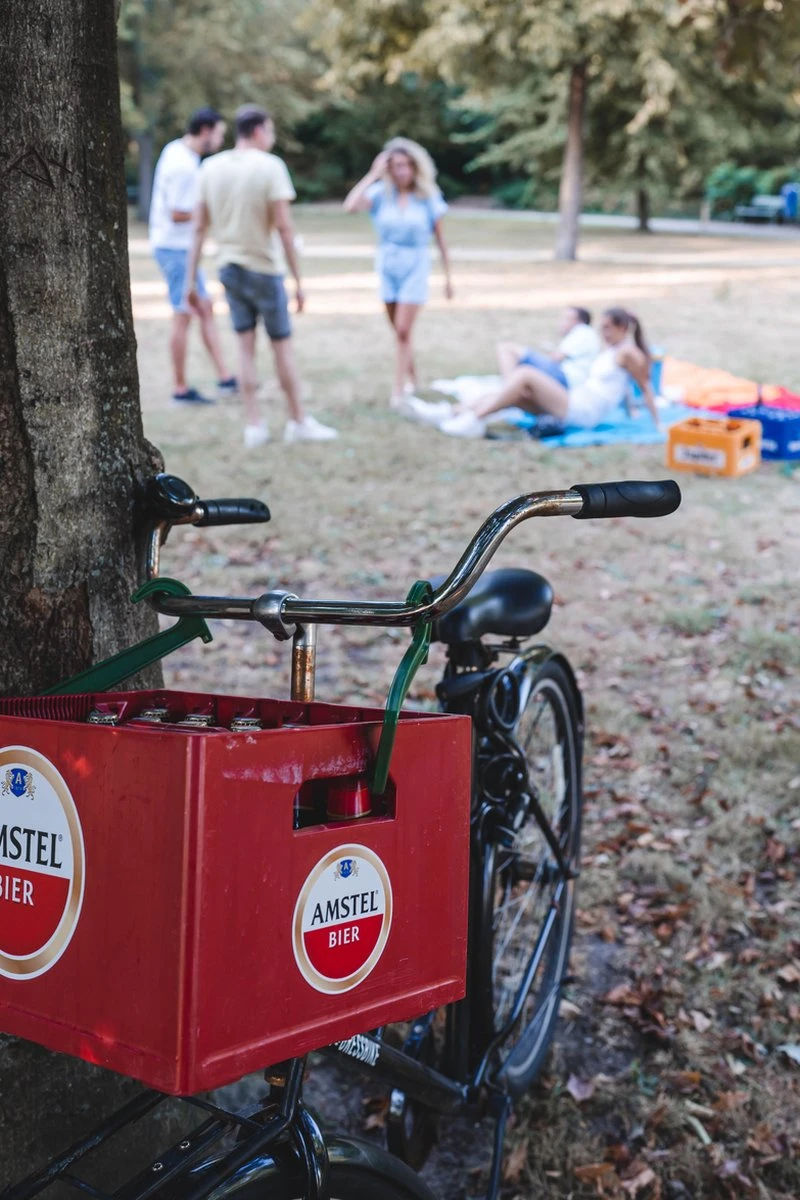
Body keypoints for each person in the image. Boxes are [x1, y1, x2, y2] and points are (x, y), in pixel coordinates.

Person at [186, 104, 336, 446]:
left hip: (229, 268)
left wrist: (189, 281)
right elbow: (284, 226)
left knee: (244, 347)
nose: (272, 137)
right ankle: (298, 420)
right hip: (265, 270)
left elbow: (197, 228)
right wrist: (298, 282)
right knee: (281, 346)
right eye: (270, 130)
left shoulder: (210, 168)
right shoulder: (271, 167)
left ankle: (254, 425)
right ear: (257, 131)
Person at [344, 137, 453, 407]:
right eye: (396, 166)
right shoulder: (381, 194)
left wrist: (448, 278)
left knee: (404, 330)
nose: (402, 171)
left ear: (415, 167)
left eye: (406, 165)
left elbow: (440, 239)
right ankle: (413, 377)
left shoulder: (428, 197)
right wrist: (372, 174)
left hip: (415, 265)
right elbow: (350, 207)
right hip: (388, 265)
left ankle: (398, 391)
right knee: (399, 331)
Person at [438, 308, 661, 438]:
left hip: (584, 410)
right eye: (602, 327)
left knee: (525, 374)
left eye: (607, 328)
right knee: (518, 394)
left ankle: (473, 419)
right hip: (577, 400)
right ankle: (455, 412)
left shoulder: (629, 353)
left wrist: (657, 423)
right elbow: (622, 387)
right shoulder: (613, 350)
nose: (603, 333)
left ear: (623, 328)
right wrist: (630, 410)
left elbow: (644, 386)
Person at [149, 107, 236, 405]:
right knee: (183, 313)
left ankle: (225, 378)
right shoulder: (184, 166)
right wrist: (213, 214)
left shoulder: (177, 150)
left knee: (205, 308)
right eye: (219, 134)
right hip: (175, 248)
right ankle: (180, 389)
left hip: (179, 247)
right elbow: (177, 213)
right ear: (206, 131)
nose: (220, 141)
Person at [496, 306, 600, 390]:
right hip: (569, 378)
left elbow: (557, 358)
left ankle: (508, 390)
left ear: (579, 321)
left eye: (567, 318)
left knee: (507, 348)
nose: (561, 322)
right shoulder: (584, 334)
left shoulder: (583, 331)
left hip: (566, 378)